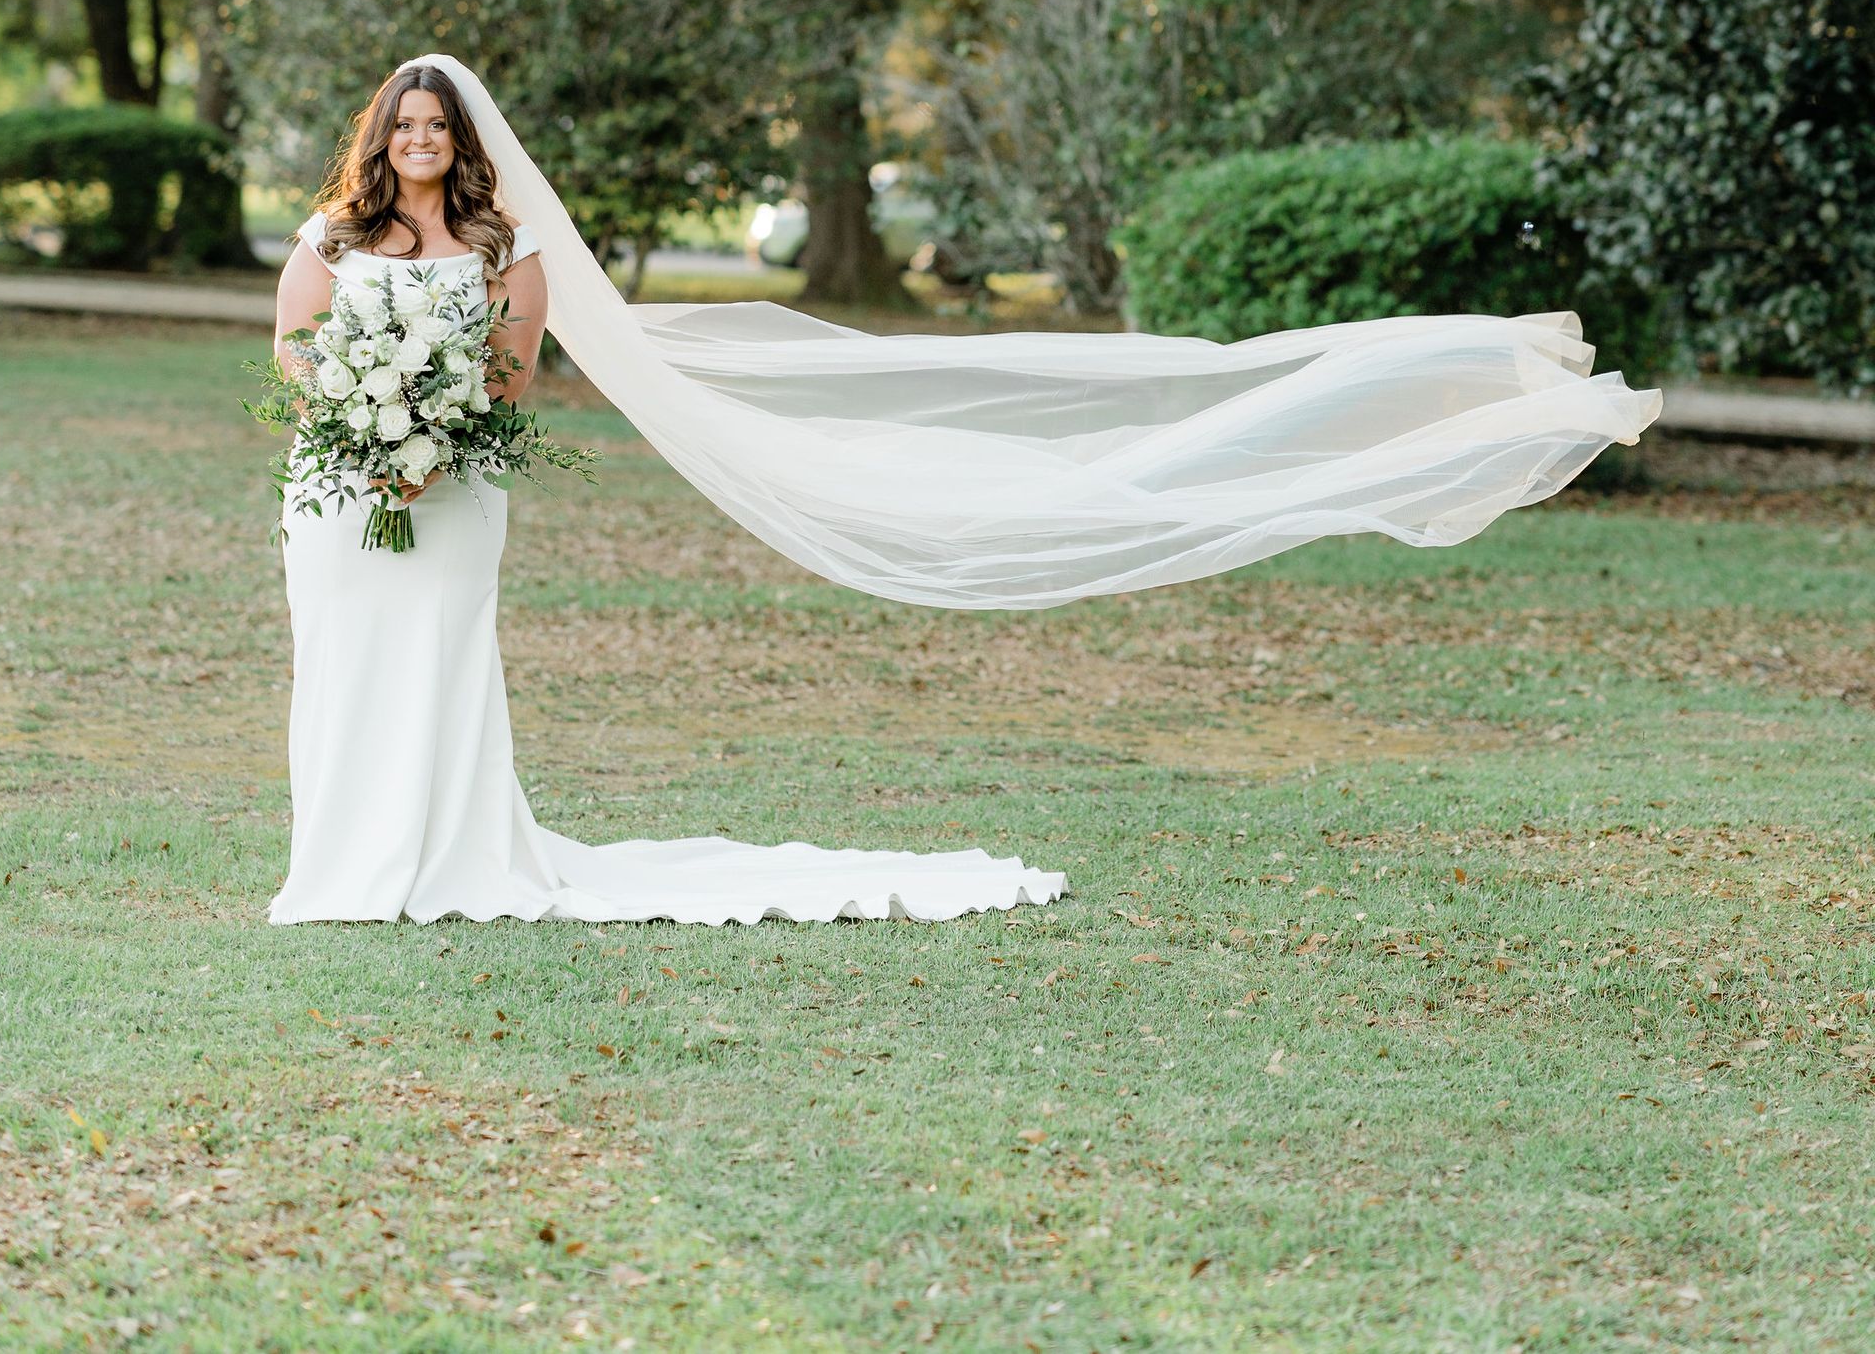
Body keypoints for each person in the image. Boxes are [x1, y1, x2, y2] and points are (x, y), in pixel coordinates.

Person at [269, 53, 1658, 927]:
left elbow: (513, 375)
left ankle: (446, 862)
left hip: (460, 488)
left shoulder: (512, 251)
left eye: (440, 127)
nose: (422, 144)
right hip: (343, 489)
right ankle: (342, 860)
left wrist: (445, 421)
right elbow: (290, 336)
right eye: (406, 127)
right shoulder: (333, 233)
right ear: (378, 138)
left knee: (445, 661)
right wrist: (358, 408)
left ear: (466, 143)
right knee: (346, 660)